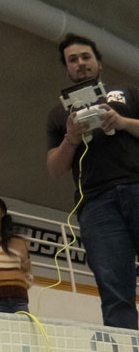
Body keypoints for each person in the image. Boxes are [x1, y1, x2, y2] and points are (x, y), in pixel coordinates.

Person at [46, 33, 139, 329]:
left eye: (86, 57)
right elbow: (54, 168)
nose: (80, 63)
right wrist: (71, 139)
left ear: (99, 62)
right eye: (73, 60)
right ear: (67, 69)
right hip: (96, 206)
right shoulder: (59, 114)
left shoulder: (127, 92)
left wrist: (122, 122)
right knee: (114, 292)